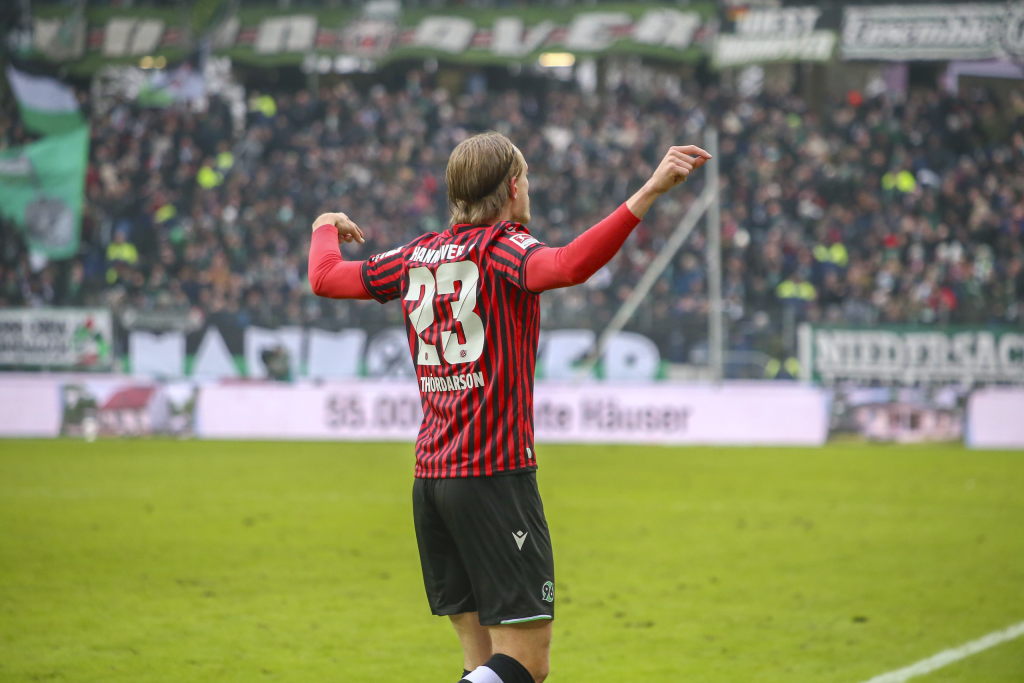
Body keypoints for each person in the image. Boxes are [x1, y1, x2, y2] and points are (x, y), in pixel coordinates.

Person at [308, 132, 710, 683]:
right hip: (493, 479)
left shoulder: (414, 255)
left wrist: (323, 225)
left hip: (433, 481)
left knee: (482, 665)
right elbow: (568, 266)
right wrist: (650, 191)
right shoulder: (503, 248)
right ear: (514, 186)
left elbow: (325, 277)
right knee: (525, 663)